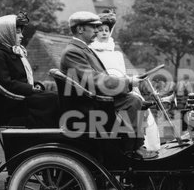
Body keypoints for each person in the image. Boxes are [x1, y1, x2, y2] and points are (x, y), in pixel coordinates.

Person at [60, 11, 157, 159]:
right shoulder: (73, 52)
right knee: (133, 100)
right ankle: (129, 151)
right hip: (87, 105)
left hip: (93, 99)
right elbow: (95, 80)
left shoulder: (82, 49)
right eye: (93, 27)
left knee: (134, 99)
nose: (97, 31)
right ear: (80, 29)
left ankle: (135, 147)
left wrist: (126, 81)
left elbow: (101, 78)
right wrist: (128, 82)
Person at [89, 10, 161, 151]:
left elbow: (122, 75)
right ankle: (133, 145)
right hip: (106, 91)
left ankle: (145, 144)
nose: (104, 33)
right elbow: (100, 78)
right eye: (101, 30)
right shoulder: (92, 51)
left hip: (120, 88)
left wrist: (131, 86)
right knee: (134, 102)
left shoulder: (116, 53)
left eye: (107, 30)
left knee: (139, 103)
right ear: (95, 33)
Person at [0, 11, 59, 128]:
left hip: (22, 96)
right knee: (53, 99)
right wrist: (30, 89)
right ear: (7, 33)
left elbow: (21, 78)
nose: (22, 36)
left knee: (57, 96)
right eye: (17, 33)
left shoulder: (15, 52)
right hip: (12, 103)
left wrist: (35, 85)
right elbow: (6, 84)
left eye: (21, 32)